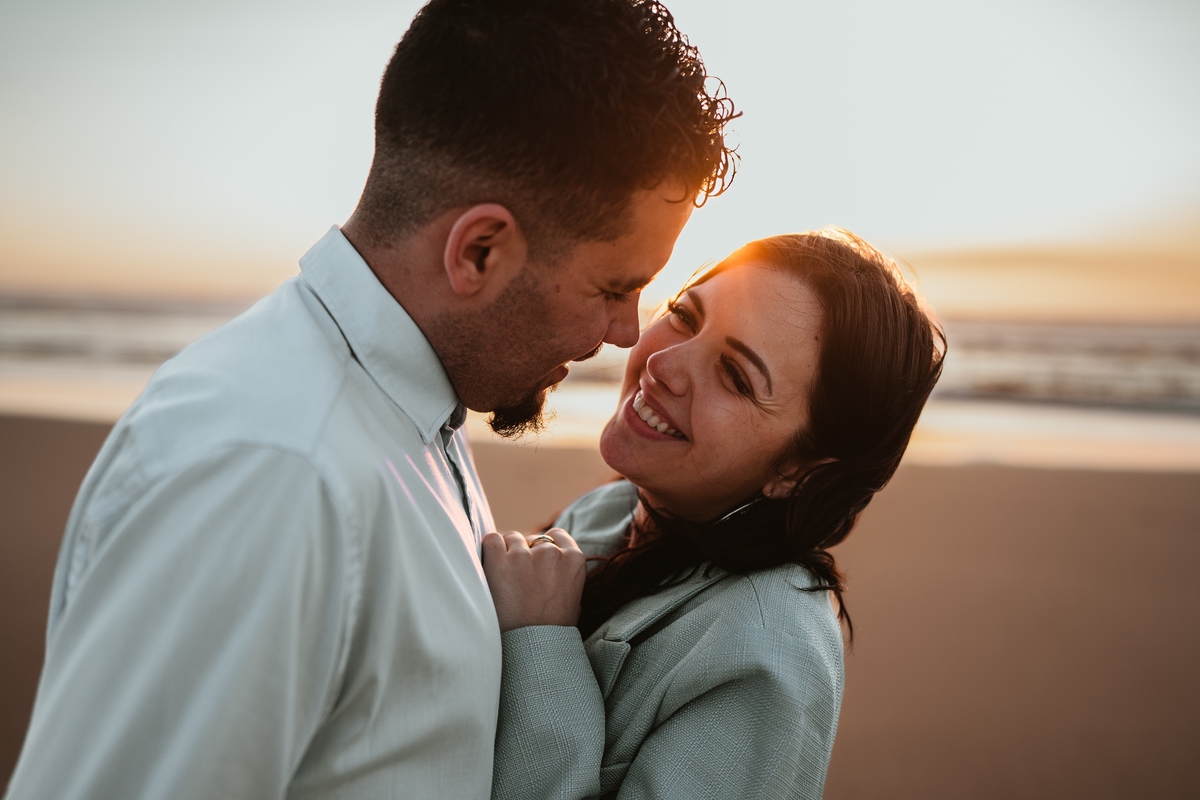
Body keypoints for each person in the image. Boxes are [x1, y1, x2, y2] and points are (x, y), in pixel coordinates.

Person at [5, 1, 735, 797]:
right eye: (613, 288)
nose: (627, 332)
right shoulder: (275, 475)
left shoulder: (410, 404)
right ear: (479, 251)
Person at [482, 228, 946, 799]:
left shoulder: (768, 653)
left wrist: (540, 642)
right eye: (684, 315)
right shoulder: (616, 509)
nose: (664, 363)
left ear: (798, 470)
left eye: (735, 376)